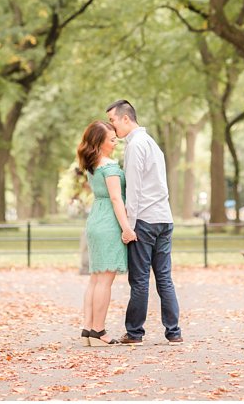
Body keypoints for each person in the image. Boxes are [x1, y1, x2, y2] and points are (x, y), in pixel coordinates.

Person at [107, 100, 182, 345]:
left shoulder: (135, 146)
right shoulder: (152, 144)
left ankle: (135, 332)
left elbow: (135, 190)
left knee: (139, 279)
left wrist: (128, 226)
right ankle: (174, 332)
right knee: (164, 277)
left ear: (126, 119)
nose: (112, 126)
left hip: (145, 220)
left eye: (113, 121)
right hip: (164, 218)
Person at [78, 120, 133, 346]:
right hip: (109, 222)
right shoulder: (109, 166)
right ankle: (99, 331)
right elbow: (115, 198)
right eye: (111, 140)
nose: (116, 143)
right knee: (105, 282)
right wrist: (127, 228)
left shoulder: (92, 164)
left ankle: (88, 329)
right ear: (99, 142)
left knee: (95, 279)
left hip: (95, 220)